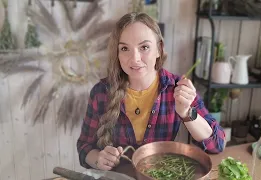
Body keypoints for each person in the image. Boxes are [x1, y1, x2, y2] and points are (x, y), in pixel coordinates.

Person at [77, 12, 226, 171]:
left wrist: (187, 112)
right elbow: (84, 147)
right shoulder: (101, 92)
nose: (135, 59)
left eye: (144, 47)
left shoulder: (176, 87)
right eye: (125, 48)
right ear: (117, 53)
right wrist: (99, 160)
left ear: (159, 49)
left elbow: (217, 144)